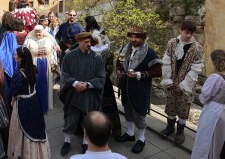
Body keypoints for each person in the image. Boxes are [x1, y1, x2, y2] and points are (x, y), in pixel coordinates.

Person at [115, 25, 162, 154]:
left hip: (140, 88)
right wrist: (119, 71)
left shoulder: (150, 52)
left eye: (137, 37)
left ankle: (141, 139)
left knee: (139, 114)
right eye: (132, 36)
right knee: (128, 110)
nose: (133, 39)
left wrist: (140, 74)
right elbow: (119, 63)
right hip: (126, 86)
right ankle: (130, 134)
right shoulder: (125, 49)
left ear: (143, 38)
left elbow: (158, 71)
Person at [60, 32, 105, 156]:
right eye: (86, 42)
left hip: (89, 95)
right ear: (79, 42)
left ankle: (85, 143)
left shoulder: (97, 58)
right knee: (70, 119)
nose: (89, 44)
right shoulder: (69, 57)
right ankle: (67, 142)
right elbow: (64, 73)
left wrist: (87, 84)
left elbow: (101, 77)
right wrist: (75, 83)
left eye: (90, 42)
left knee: (88, 120)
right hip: (73, 94)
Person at [159, 20, 204, 144]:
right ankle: (169, 128)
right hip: (171, 83)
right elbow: (166, 61)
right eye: (186, 32)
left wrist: (183, 86)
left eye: (191, 33)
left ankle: (180, 132)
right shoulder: (172, 43)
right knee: (171, 106)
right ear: (181, 30)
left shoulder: (197, 48)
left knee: (183, 109)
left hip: (187, 85)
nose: (188, 35)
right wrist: (168, 80)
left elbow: (195, 70)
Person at [8, 46, 51, 158]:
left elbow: (14, 91)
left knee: (23, 130)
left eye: (15, 55)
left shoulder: (18, 74)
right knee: (36, 127)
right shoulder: (34, 68)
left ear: (20, 58)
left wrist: (13, 99)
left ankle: (24, 154)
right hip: (34, 101)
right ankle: (39, 154)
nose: (14, 56)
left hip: (22, 104)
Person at [192, 50, 225, 159]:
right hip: (223, 113)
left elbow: (205, 96)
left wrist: (200, 96)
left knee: (205, 138)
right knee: (217, 142)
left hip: (213, 112)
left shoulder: (216, 77)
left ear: (215, 62)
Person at [24, 25, 57, 113]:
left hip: (46, 65)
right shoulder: (29, 41)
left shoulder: (49, 40)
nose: (38, 33)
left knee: (45, 85)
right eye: (37, 32)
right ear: (34, 32)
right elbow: (24, 53)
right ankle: (35, 107)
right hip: (35, 64)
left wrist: (54, 63)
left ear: (43, 32)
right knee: (35, 84)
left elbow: (53, 52)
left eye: (40, 32)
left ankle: (45, 106)